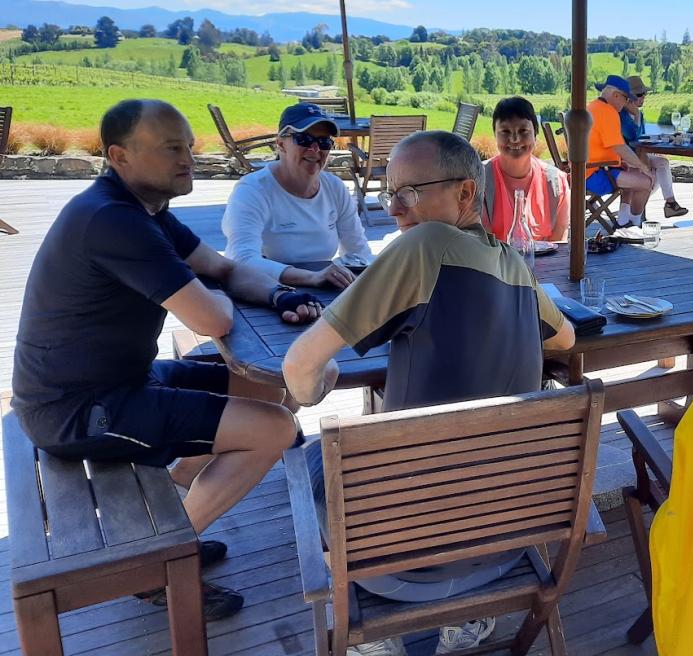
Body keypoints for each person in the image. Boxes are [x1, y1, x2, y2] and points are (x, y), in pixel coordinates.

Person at [11, 99, 323, 620]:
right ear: (119, 155)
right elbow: (213, 319)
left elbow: (222, 270)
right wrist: (221, 298)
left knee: (264, 386)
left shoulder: (148, 210)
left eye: (189, 144)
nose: (189, 156)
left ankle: (169, 519)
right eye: (171, 147)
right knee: (273, 427)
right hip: (77, 410)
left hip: (119, 381)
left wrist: (277, 295)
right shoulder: (113, 220)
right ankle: (154, 561)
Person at [282, 131, 574, 655]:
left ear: (466, 194)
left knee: (306, 460)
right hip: (504, 548)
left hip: (397, 559)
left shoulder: (424, 244)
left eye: (409, 193)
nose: (394, 209)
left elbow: (299, 368)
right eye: (388, 193)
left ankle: (378, 633)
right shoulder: (512, 262)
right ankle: (464, 620)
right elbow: (567, 337)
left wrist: (319, 386)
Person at [222, 102, 372, 289]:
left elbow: (359, 252)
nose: (315, 149)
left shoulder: (334, 187)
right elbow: (241, 259)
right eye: (304, 139)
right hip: (263, 288)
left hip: (321, 287)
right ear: (280, 144)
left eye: (324, 142)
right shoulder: (252, 190)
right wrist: (311, 277)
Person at [586, 75, 681, 236]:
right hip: (596, 175)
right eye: (625, 98)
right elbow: (620, 147)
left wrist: (626, 163)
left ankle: (624, 222)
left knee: (635, 175)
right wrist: (642, 166)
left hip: (593, 169)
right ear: (616, 95)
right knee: (646, 181)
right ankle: (634, 225)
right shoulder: (608, 113)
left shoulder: (593, 107)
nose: (625, 103)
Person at [481, 96, 571, 242]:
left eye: (523, 131)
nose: (515, 139)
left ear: (535, 134)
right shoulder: (478, 179)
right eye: (505, 132)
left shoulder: (556, 183)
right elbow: (482, 242)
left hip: (546, 263)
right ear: (495, 135)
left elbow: (559, 240)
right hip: (494, 263)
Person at [620, 75, 687, 218]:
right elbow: (633, 138)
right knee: (652, 175)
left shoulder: (640, 114)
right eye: (639, 94)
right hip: (626, 158)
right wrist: (637, 115)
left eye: (644, 94)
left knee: (662, 163)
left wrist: (664, 138)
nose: (643, 97)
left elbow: (642, 138)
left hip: (639, 155)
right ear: (629, 97)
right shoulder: (622, 116)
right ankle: (634, 213)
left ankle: (670, 203)